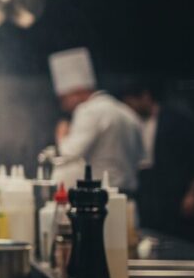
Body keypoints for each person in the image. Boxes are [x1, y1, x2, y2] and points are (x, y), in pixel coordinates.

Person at [49, 48, 143, 193]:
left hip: (103, 197)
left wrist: (61, 135)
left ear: (77, 91)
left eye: (64, 98)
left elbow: (68, 154)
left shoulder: (88, 110)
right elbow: (141, 158)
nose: (63, 105)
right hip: (130, 196)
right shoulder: (127, 112)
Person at [121, 80, 194, 240]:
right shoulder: (132, 123)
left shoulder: (177, 120)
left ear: (145, 97)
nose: (130, 109)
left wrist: (193, 193)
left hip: (175, 189)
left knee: (178, 235)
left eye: (132, 103)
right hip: (147, 189)